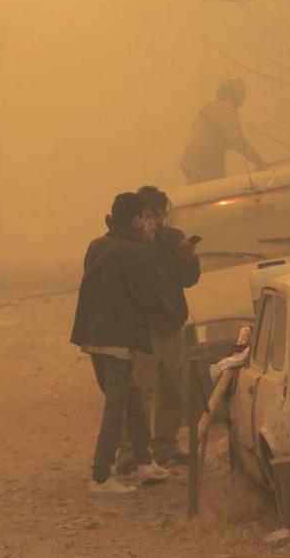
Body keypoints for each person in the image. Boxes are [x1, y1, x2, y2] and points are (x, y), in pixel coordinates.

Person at [71, 192, 186, 495]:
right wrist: (174, 316)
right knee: (117, 406)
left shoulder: (98, 246)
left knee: (132, 398)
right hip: (118, 341)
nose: (151, 224)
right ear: (135, 220)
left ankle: (143, 459)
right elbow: (149, 298)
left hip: (94, 338)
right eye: (146, 218)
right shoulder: (135, 254)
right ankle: (100, 475)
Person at [117, 186, 201, 471]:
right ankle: (131, 451)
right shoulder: (131, 244)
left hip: (172, 324)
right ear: (140, 217)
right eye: (150, 215)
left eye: (161, 214)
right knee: (141, 390)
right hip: (145, 328)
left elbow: (188, 279)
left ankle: (165, 445)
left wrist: (189, 259)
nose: (156, 221)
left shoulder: (173, 239)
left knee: (173, 388)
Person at [178, 77, 267, 184]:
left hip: (199, 164)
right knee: (217, 194)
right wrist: (257, 159)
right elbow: (237, 140)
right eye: (241, 94)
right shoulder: (225, 109)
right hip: (203, 167)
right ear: (232, 94)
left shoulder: (214, 108)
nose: (243, 97)